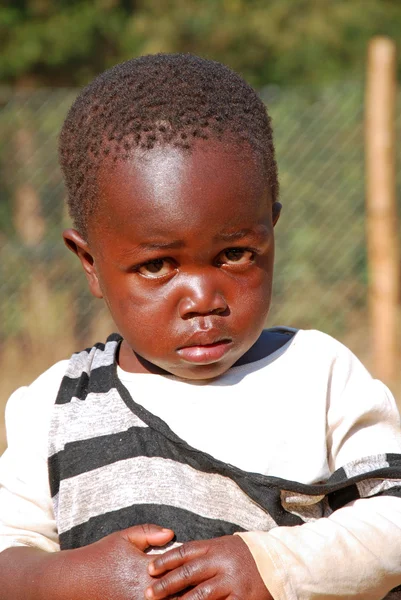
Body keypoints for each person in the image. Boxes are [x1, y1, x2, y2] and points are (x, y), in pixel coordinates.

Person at [0, 53, 401, 600]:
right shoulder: (55, 410)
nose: (203, 299)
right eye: (157, 266)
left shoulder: (320, 376)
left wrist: (272, 565)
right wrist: (78, 578)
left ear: (271, 232)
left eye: (235, 253)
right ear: (90, 263)